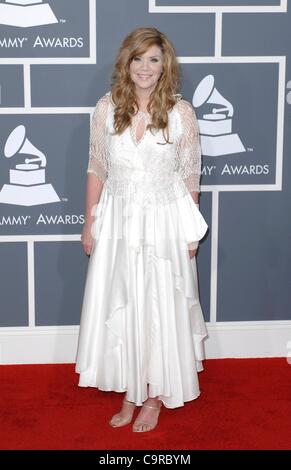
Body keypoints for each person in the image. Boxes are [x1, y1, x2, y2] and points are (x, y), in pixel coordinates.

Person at [75, 27, 208, 433]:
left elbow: (190, 176)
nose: (145, 68)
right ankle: (131, 391)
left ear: (164, 65)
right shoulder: (105, 107)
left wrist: (190, 231)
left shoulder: (181, 112)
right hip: (117, 219)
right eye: (138, 59)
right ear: (126, 63)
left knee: (157, 306)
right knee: (125, 302)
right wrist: (89, 221)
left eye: (153, 59)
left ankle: (153, 398)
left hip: (164, 220)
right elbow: (98, 166)